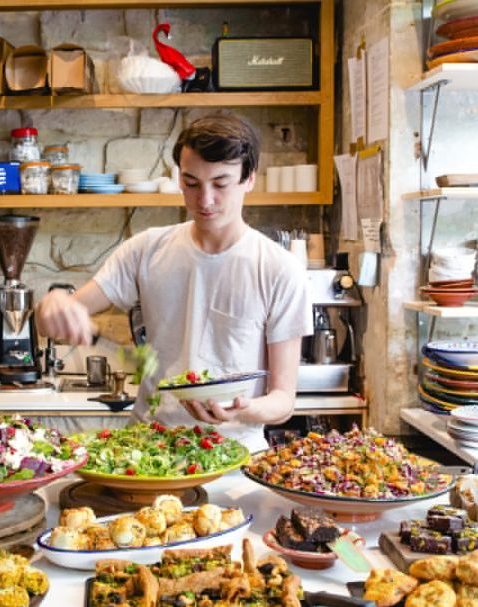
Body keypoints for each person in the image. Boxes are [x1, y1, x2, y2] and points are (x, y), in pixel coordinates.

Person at [35, 113, 311, 450]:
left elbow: (283, 400)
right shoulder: (146, 249)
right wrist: (54, 304)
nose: (204, 200)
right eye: (191, 183)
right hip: (149, 448)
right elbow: (51, 321)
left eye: (221, 183)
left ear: (249, 179)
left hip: (235, 454)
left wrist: (243, 409)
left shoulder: (279, 269)